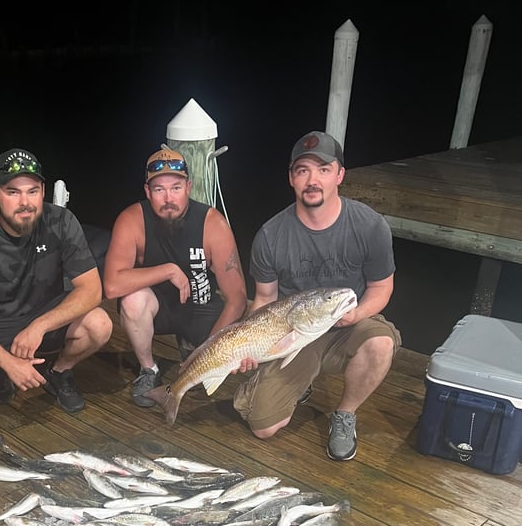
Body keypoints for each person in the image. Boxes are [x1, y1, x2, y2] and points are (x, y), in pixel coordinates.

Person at [232, 130, 401, 461]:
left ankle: (345, 414)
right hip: (293, 332)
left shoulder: (369, 226)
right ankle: (292, 382)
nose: (313, 180)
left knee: (380, 344)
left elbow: (382, 288)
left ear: (340, 175)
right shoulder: (270, 235)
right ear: (291, 179)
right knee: (263, 427)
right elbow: (264, 299)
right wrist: (249, 345)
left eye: (324, 170)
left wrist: (356, 314)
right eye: (303, 170)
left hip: (346, 324)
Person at [0, 147, 112, 413]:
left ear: (43, 192)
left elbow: (92, 289)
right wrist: (8, 363)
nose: (25, 202)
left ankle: (58, 371)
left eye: (32, 191)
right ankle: (4, 373)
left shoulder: (61, 221)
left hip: (42, 312)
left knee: (100, 325)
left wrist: (39, 326)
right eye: (13, 192)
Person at [103, 146, 248, 406]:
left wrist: (209, 353)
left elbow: (237, 297)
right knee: (131, 301)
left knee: (218, 363)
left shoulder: (212, 223)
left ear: (189, 187)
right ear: (148, 191)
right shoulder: (131, 219)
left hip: (201, 307)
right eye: (159, 189)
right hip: (158, 309)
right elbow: (112, 286)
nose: (168, 197)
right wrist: (168, 270)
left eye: (176, 188)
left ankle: (192, 344)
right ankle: (149, 370)